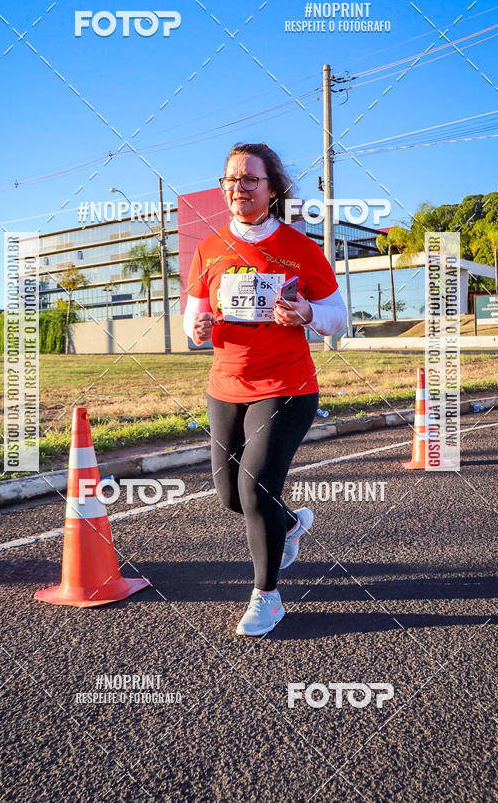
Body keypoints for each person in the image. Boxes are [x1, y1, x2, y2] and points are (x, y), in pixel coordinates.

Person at [183, 142, 347, 636]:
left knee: (255, 489)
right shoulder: (209, 248)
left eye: (250, 179)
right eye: (231, 179)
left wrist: (307, 313)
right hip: (225, 385)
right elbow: (193, 314)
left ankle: (267, 597)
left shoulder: (300, 248)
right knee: (231, 497)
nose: (239, 188)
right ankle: (290, 524)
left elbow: (339, 318)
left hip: (286, 386)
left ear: (272, 189)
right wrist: (196, 328)